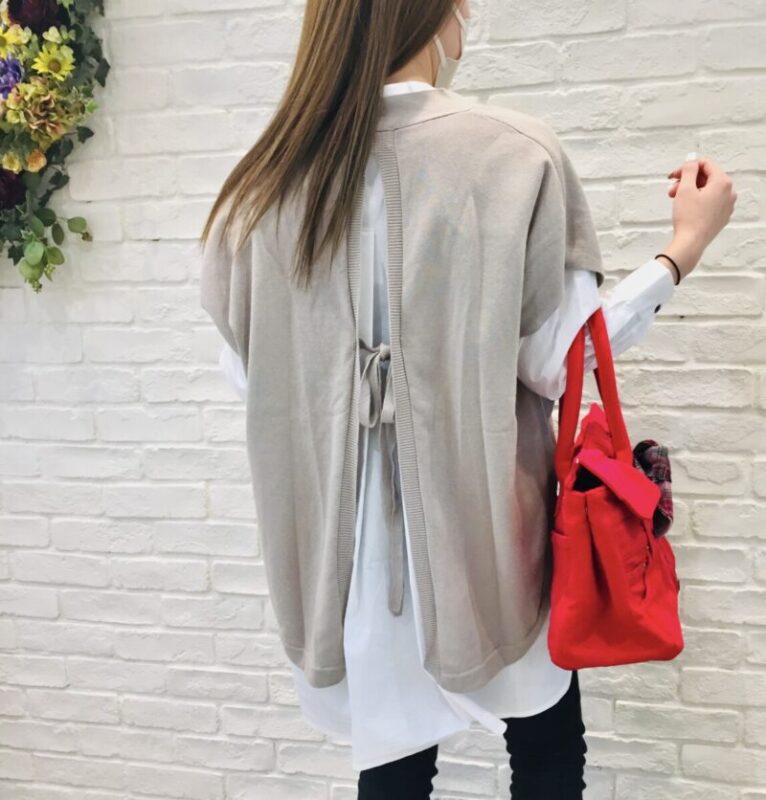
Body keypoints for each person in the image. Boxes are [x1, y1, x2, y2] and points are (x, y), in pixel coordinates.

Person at [199, 2, 737, 797]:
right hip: (493, 539)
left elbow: (257, 386)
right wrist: (683, 248)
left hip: (348, 565)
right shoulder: (514, 155)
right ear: (440, 15)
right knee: (547, 755)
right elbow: (560, 361)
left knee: (393, 771)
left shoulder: (261, 189)